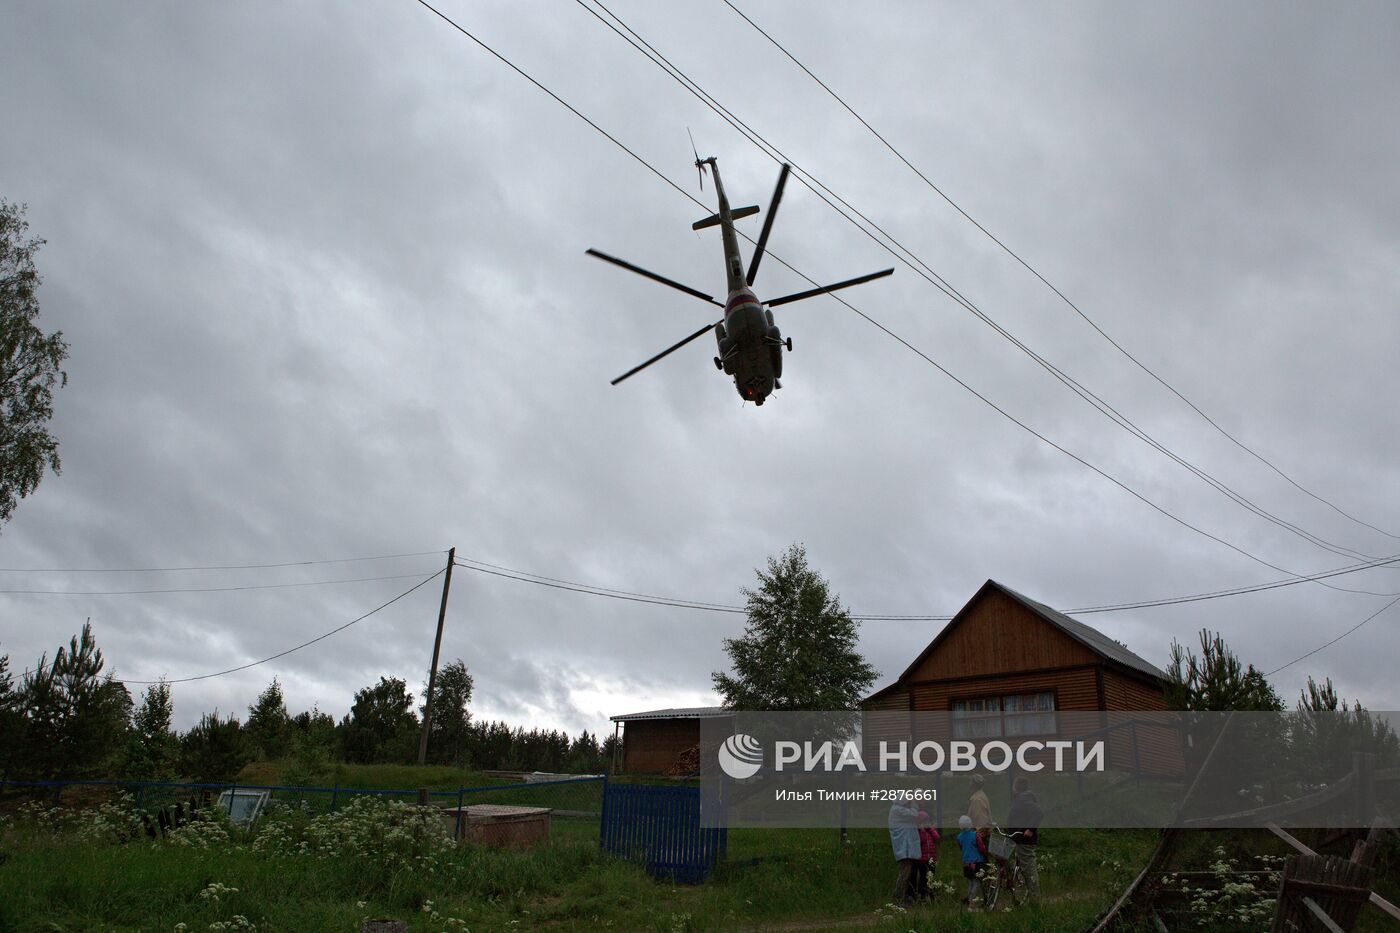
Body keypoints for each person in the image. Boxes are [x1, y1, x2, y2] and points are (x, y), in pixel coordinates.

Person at [1006, 775, 1043, 902]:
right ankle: (1026, 897)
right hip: (1018, 838)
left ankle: (1035, 900)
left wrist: (1030, 829)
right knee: (1023, 868)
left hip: (1024, 840)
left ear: (1016, 787)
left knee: (1029, 869)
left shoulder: (1023, 799)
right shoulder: (1021, 798)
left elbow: (1038, 812)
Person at [888, 797, 921, 906]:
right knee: (904, 874)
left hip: (904, 847)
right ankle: (898, 898)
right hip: (904, 848)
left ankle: (903, 898)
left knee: (906, 874)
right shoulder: (898, 810)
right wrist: (914, 804)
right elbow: (914, 814)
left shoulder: (897, 809)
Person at [956, 814, 987, 908]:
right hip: (977, 861)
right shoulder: (975, 835)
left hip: (966, 862)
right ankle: (971, 900)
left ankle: (969, 897)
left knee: (970, 881)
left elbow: (961, 847)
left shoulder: (959, 837)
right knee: (977, 881)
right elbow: (981, 848)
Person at [915, 810, 940, 900]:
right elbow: (920, 841)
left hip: (931, 858)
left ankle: (930, 894)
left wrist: (930, 828)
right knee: (922, 877)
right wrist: (921, 831)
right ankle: (921, 895)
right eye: (924, 821)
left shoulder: (930, 830)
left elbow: (937, 837)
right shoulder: (918, 831)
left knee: (931, 877)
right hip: (922, 859)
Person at [967, 772, 992, 837]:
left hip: (980, 838)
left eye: (970, 782)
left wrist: (977, 840)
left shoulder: (977, 800)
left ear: (974, 785)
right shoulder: (979, 796)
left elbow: (981, 823)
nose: (969, 784)